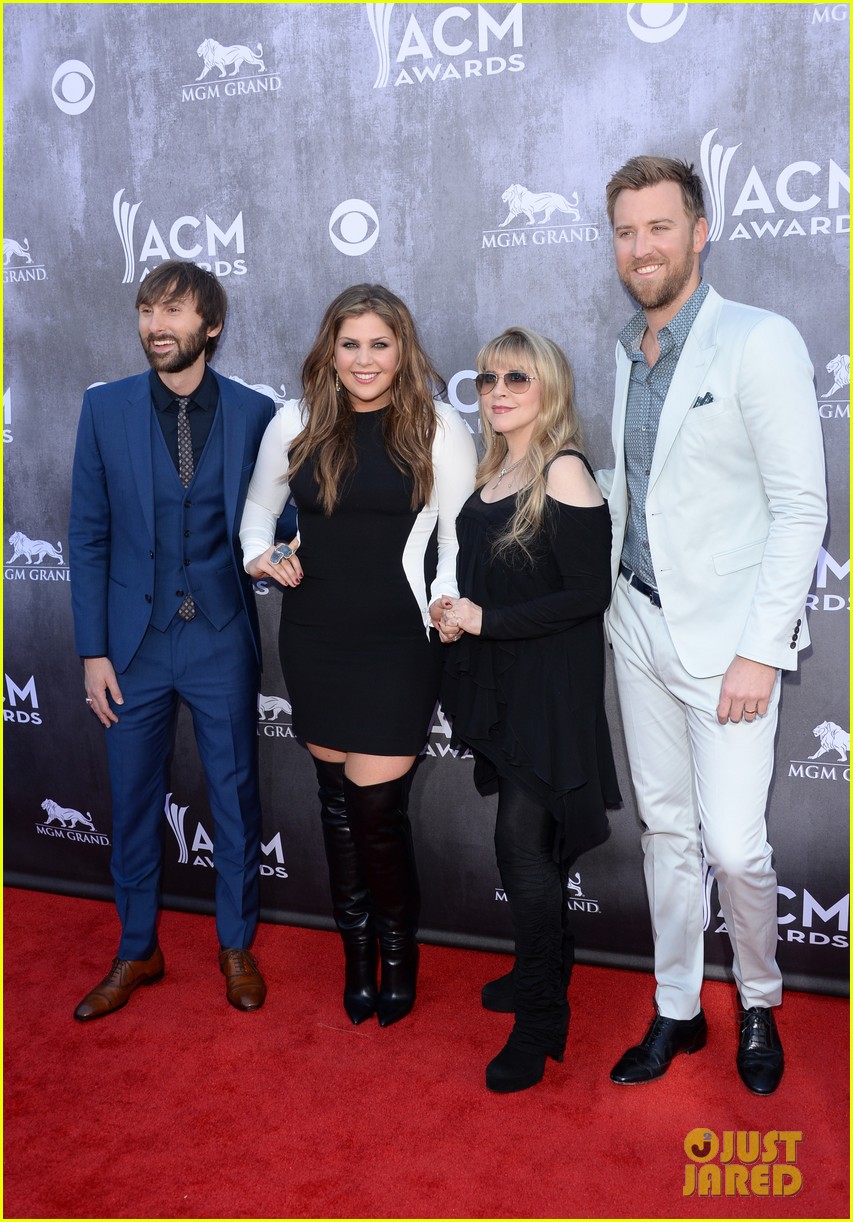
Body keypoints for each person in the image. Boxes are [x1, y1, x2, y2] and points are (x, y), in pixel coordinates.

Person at [601, 156, 827, 1094]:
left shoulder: (757, 339)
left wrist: (757, 652)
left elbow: (799, 508)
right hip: (637, 626)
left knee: (734, 844)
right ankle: (677, 1009)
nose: (640, 247)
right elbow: (642, 492)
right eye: (624, 231)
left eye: (658, 227)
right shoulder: (624, 349)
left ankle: (760, 1002)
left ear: (699, 232)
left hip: (728, 647)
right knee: (664, 834)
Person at [240, 284, 477, 1027]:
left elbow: (456, 539)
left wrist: (444, 598)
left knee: (376, 810)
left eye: (380, 343)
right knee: (336, 806)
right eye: (351, 344)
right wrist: (260, 556)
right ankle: (356, 955)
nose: (365, 359)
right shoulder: (296, 421)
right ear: (329, 351)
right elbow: (256, 512)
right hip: (314, 635)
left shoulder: (437, 425)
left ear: (401, 349)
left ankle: (398, 952)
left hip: (397, 643)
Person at [69, 260, 275, 1021]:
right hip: (131, 648)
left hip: (221, 637)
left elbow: (278, 519)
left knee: (234, 797)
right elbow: (86, 536)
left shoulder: (257, 414)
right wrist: (93, 650)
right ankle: (136, 949)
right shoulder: (105, 409)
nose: (157, 324)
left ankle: (235, 944)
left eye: (176, 311)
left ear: (210, 326)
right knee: (130, 802)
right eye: (148, 309)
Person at [439, 327, 621, 1093]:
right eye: (485, 380)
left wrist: (488, 621)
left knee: (521, 849)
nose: (498, 391)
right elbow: (498, 580)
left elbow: (587, 595)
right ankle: (537, 969)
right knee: (531, 853)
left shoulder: (564, 468)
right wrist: (457, 613)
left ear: (548, 386)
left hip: (547, 694)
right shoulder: (496, 465)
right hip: (505, 684)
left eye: (516, 377)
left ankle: (542, 1019)